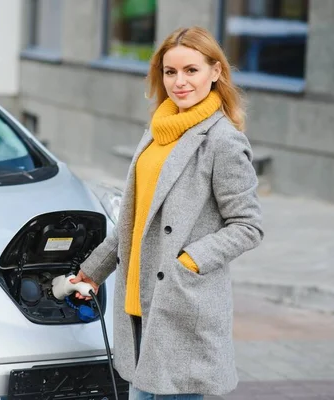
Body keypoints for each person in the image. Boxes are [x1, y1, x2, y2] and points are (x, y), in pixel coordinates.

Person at [71, 26, 264, 399]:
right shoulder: (157, 130)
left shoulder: (223, 141)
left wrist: (189, 261)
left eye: (191, 70)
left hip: (181, 303)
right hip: (140, 301)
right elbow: (136, 218)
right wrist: (94, 270)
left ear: (215, 72)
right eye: (170, 71)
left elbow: (248, 225)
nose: (179, 82)